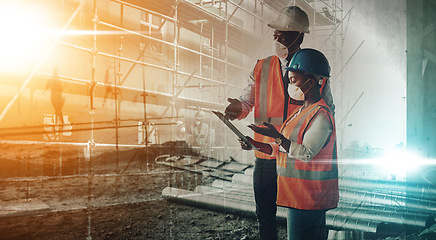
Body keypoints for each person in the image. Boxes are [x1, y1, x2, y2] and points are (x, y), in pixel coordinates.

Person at [224, 6, 334, 240]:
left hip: (297, 159)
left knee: (301, 217)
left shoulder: (314, 69)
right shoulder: (261, 67)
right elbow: (248, 101)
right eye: (276, 31)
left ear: (299, 35)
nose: (276, 36)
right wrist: (238, 109)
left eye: (283, 32)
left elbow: (326, 110)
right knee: (265, 213)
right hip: (265, 154)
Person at [240, 48, 339, 240]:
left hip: (310, 199)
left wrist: (277, 136)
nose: (289, 85)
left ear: (310, 82)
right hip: (297, 197)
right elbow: (284, 149)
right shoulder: (302, 111)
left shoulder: (320, 115)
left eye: (293, 80)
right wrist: (256, 145)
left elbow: (305, 153)